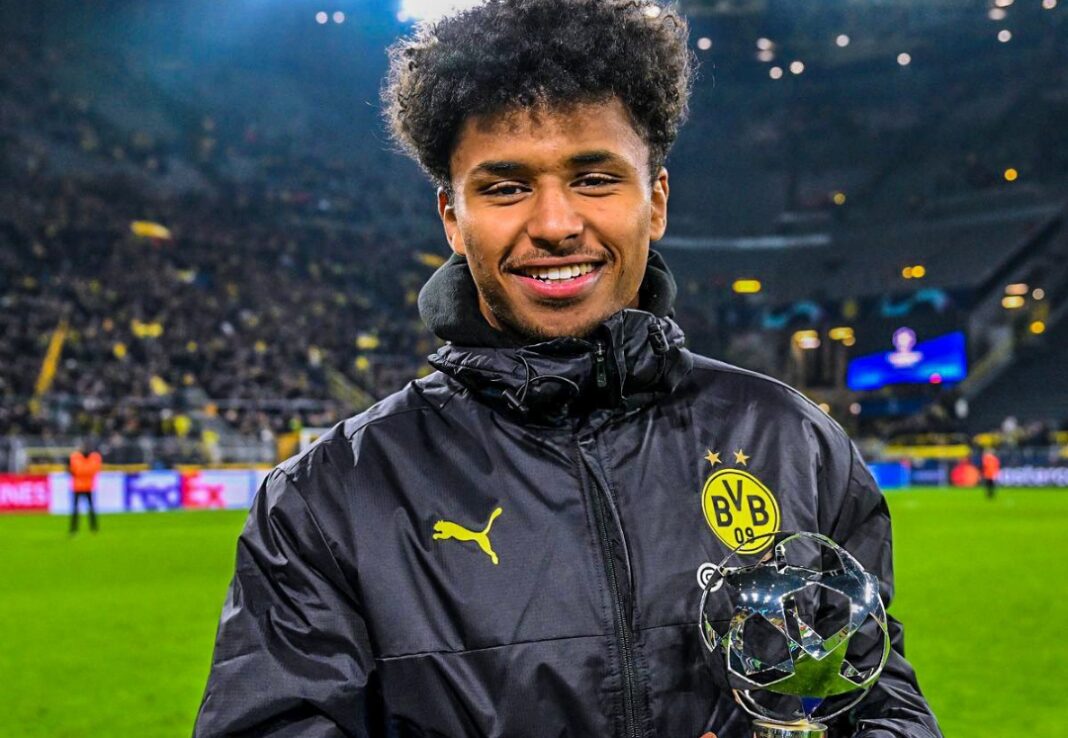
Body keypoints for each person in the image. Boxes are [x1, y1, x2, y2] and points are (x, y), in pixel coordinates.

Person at [195, 2, 941, 736]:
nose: (555, 225)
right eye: (506, 187)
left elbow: (876, 703)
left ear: (656, 200)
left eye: (594, 179)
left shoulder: (793, 443)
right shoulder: (328, 500)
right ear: (452, 217)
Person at [68, 445, 101, 533]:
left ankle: (74, 528)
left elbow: (72, 471)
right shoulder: (94, 459)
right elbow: (95, 470)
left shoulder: (75, 459)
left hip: (78, 486)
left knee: (76, 509)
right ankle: (93, 527)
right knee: (90, 508)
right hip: (87, 486)